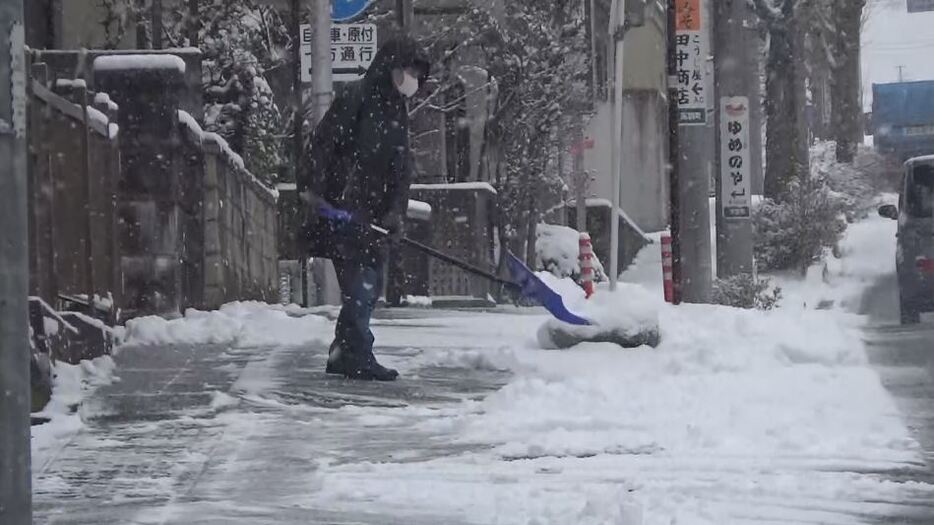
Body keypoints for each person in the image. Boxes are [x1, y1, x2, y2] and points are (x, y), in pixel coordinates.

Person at [298, 36, 430, 382]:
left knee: (370, 283)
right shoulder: (357, 97)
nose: (412, 80)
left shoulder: (396, 111)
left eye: (417, 73)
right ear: (391, 67)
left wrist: (395, 213)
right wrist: (318, 194)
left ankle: (345, 352)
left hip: (373, 217)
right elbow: (324, 145)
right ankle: (356, 354)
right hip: (342, 211)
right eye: (409, 70)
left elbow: (400, 170)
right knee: (361, 285)